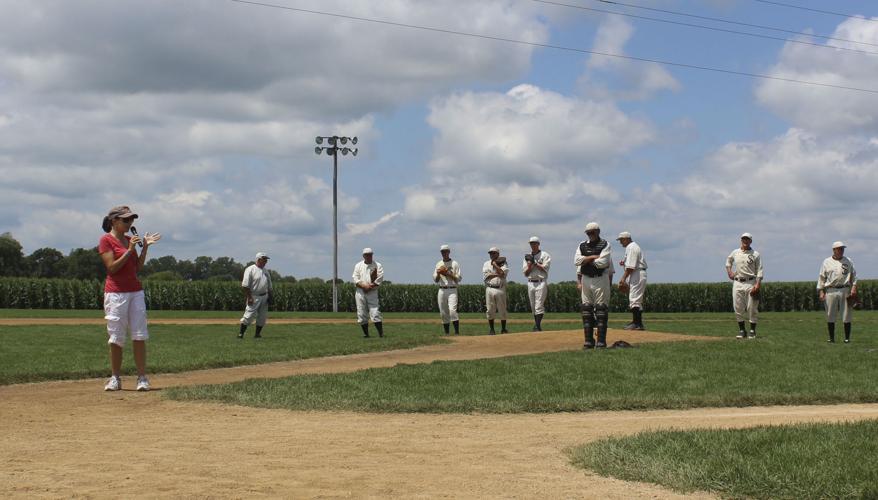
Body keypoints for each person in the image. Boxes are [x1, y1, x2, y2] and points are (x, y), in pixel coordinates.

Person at [98, 205, 161, 392]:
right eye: (125, 220)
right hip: (116, 293)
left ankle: (142, 378)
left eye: (131, 219)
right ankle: (115, 378)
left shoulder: (129, 240)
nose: (130, 223)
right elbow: (112, 268)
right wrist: (129, 249)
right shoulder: (106, 240)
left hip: (135, 292)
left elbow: (137, 268)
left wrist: (144, 248)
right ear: (113, 221)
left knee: (139, 335)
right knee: (116, 337)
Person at [574, 222, 612, 349]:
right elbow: (576, 261)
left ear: (598, 231)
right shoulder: (581, 245)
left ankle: (601, 342)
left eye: (593, 232)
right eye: (588, 233)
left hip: (600, 278)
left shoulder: (605, 244)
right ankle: (588, 341)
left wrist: (586, 259)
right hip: (586, 278)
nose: (591, 234)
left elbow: (603, 263)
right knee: (586, 309)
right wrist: (593, 257)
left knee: (601, 309)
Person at [817, 241, 858, 343]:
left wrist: (854, 287)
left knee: (846, 314)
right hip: (831, 290)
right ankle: (831, 338)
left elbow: (854, 275)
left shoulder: (848, 261)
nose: (841, 250)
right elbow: (822, 277)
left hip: (845, 289)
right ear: (834, 250)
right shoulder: (826, 262)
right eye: (839, 248)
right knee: (830, 314)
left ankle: (847, 338)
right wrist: (821, 291)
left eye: (842, 248)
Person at [725, 232, 763, 339]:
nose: (745, 241)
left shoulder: (755, 254)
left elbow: (760, 270)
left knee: (752, 307)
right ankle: (742, 330)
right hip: (737, 282)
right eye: (743, 239)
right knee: (738, 307)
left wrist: (758, 284)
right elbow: (728, 261)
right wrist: (729, 272)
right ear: (741, 240)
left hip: (750, 282)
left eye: (747, 239)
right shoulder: (735, 252)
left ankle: (752, 330)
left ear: (750, 241)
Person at [616, 231, 648, 330]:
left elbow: (631, 267)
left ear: (626, 239)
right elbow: (631, 264)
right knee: (635, 299)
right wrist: (624, 263)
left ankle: (637, 324)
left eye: (621, 240)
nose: (620, 242)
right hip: (637, 273)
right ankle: (637, 322)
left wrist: (623, 278)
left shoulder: (631, 247)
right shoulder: (632, 247)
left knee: (634, 299)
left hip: (637, 273)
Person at [238, 252, 273, 339]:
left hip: (264, 296)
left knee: (262, 317)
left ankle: (257, 334)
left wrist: (271, 297)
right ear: (258, 259)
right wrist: (249, 297)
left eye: (266, 260)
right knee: (248, 316)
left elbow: (269, 286)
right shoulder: (250, 269)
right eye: (264, 259)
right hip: (254, 296)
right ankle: (241, 334)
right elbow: (245, 285)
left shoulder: (266, 271)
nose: (265, 261)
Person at [353, 247, 384, 338]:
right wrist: (363, 286)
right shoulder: (358, 265)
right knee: (361, 313)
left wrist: (369, 287)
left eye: (370, 254)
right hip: (360, 292)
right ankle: (366, 334)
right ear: (363, 256)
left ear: (372, 255)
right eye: (366, 255)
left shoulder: (378, 265)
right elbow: (355, 278)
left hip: (372, 292)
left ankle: (380, 334)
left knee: (375, 313)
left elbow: (380, 278)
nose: (368, 256)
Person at [522, 236, 551, 331]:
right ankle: (537, 325)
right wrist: (530, 265)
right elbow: (526, 273)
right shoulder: (527, 256)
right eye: (531, 243)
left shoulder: (545, 255)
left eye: (534, 243)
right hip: (530, 282)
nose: (533, 245)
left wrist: (535, 263)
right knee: (533, 306)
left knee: (539, 305)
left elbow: (545, 269)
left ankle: (537, 326)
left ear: (538, 244)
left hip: (540, 282)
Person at [433, 244, 462, 335]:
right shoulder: (439, 264)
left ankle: (457, 332)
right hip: (441, 290)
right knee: (443, 312)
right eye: (442, 251)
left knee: (452, 310)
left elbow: (458, 279)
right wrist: (439, 273)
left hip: (452, 289)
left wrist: (447, 273)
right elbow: (436, 280)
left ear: (449, 252)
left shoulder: (454, 263)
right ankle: (447, 333)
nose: (444, 253)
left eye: (445, 251)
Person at [483, 247, 509, 335]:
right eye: (490, 253)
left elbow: (503, 274)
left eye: (494, 253)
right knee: (490, 310)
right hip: (489, 288)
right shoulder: (486, 264)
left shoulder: (504, 263)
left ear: (498, 254)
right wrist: (498, 273)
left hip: (500, 288)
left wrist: (495, 265)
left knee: (502, 310)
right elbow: (487, 276)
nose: (492, 255)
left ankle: (503, 329)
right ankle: (492, 329)